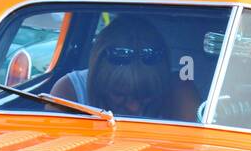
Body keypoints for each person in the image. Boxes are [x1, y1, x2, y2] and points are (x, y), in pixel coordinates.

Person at [51, 17, 199, 121]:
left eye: (146, 94)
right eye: (119, 94)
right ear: (97, 80)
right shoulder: (69, 93)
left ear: (162, 82)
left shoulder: (179, 90)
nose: (134, 107)